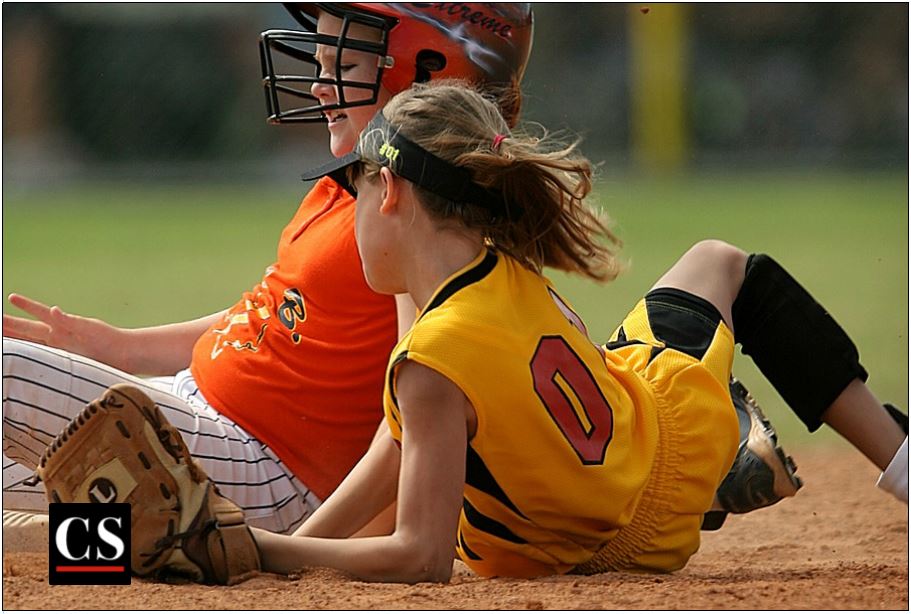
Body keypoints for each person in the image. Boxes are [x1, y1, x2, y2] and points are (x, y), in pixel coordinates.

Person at [248, 80, 907, 582]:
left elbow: (420, 556)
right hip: (654, 443)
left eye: (354, 190)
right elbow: (398, 447)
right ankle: (890, 461)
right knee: (721, 262)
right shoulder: (499, 265)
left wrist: (264, 548)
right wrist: (285, 550)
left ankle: (723, 447)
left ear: (389, 190)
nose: (351, 210)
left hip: (609, 539)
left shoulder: (429, 356)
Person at [2, 3, 534, 536]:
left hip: (259, 471)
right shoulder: (356, 179)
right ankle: (148, 554)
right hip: (202, 421)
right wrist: (121, 348)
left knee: (8, 375)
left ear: (430, 73)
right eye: (322, 66)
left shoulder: (416, 214)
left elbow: (410, 425)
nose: (319, 88)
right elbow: (270, 317)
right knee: (40, 518)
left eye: (343, 68)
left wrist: (305, 549)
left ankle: (185, 549)